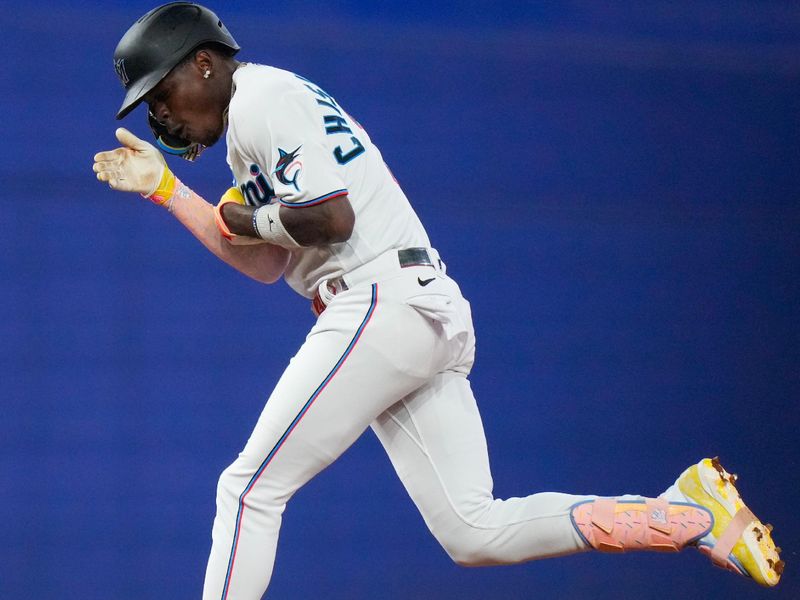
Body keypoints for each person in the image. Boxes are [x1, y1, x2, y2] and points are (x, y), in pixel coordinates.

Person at [92, 3, 783, 599]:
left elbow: (332, 222)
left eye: (161, 90)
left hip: (379, 301)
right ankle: (688, 515)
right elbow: (272, 263)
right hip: (412, 306)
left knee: (247, 492)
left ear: (205, 63)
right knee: (473, 531)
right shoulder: (253, 125)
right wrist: (167, 191)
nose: (158, 113)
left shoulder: (260, 99)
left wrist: (248, 218)